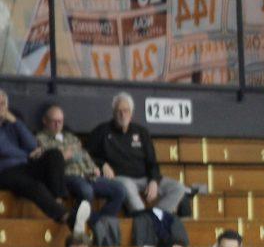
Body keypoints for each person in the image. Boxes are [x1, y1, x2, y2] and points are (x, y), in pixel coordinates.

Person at [0, 89, 88, 231]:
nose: (1, 108)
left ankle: (58, 200)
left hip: (25, 165)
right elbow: (4, 149)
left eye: (3, 104)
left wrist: (15, 122)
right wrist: (26, 153)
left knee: (55, 155)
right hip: (5, 171)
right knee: (35, 186)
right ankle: (67, 217)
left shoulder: (13, 124)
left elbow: (32, 144)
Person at [86, 91, 187, 215]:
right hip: (121, 178)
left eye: (126, 111)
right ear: (113, 113)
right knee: (127, 185)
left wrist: (154, 181)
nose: (123, 114)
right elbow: (86, 154)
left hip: (144, 179)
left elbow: (152, 161)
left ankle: (156, 217)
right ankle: (144, 218)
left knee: (179, 188)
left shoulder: (141, 132)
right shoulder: (102, 131)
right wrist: (102, 164)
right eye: (119, 111)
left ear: (131, 113)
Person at [35, 103, 126, 230]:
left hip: (88, 175)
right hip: (68, 176)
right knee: (86, 190)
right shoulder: (40, 138)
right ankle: (75, 221)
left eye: (60, 121)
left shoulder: (71, 137)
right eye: (54, 121)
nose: (57, 125)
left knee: (119, 189)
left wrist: (94, 168)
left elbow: (84, 154)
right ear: (45, 121)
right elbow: (49, 160)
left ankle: (93, 221)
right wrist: (63, 154)